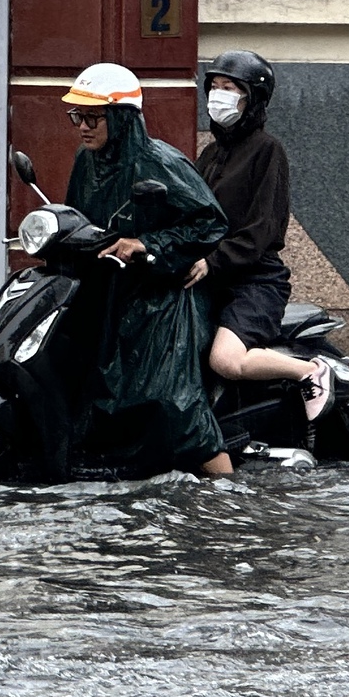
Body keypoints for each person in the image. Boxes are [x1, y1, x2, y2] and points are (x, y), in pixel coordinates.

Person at [61, 62, 235, 479]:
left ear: (120, 117)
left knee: (172, 397)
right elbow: (76, 218)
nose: (83, 127)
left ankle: (227, 483)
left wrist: (147, 244)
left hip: (164, 295)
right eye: (76, 117)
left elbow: (211, 221)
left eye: (92, 117)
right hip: (112, 289)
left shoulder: (159, 162)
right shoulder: (87, 162)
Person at [183, 50, 336, 420]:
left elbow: (262, 229)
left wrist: (212, 260)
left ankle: (311, 371)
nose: (218, 95)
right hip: (209, 280)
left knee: (224, 360)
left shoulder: (268, 151)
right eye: (214, 86)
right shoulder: (211, 154)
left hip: (253, 282)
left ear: (252, 99)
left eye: (230, 88)